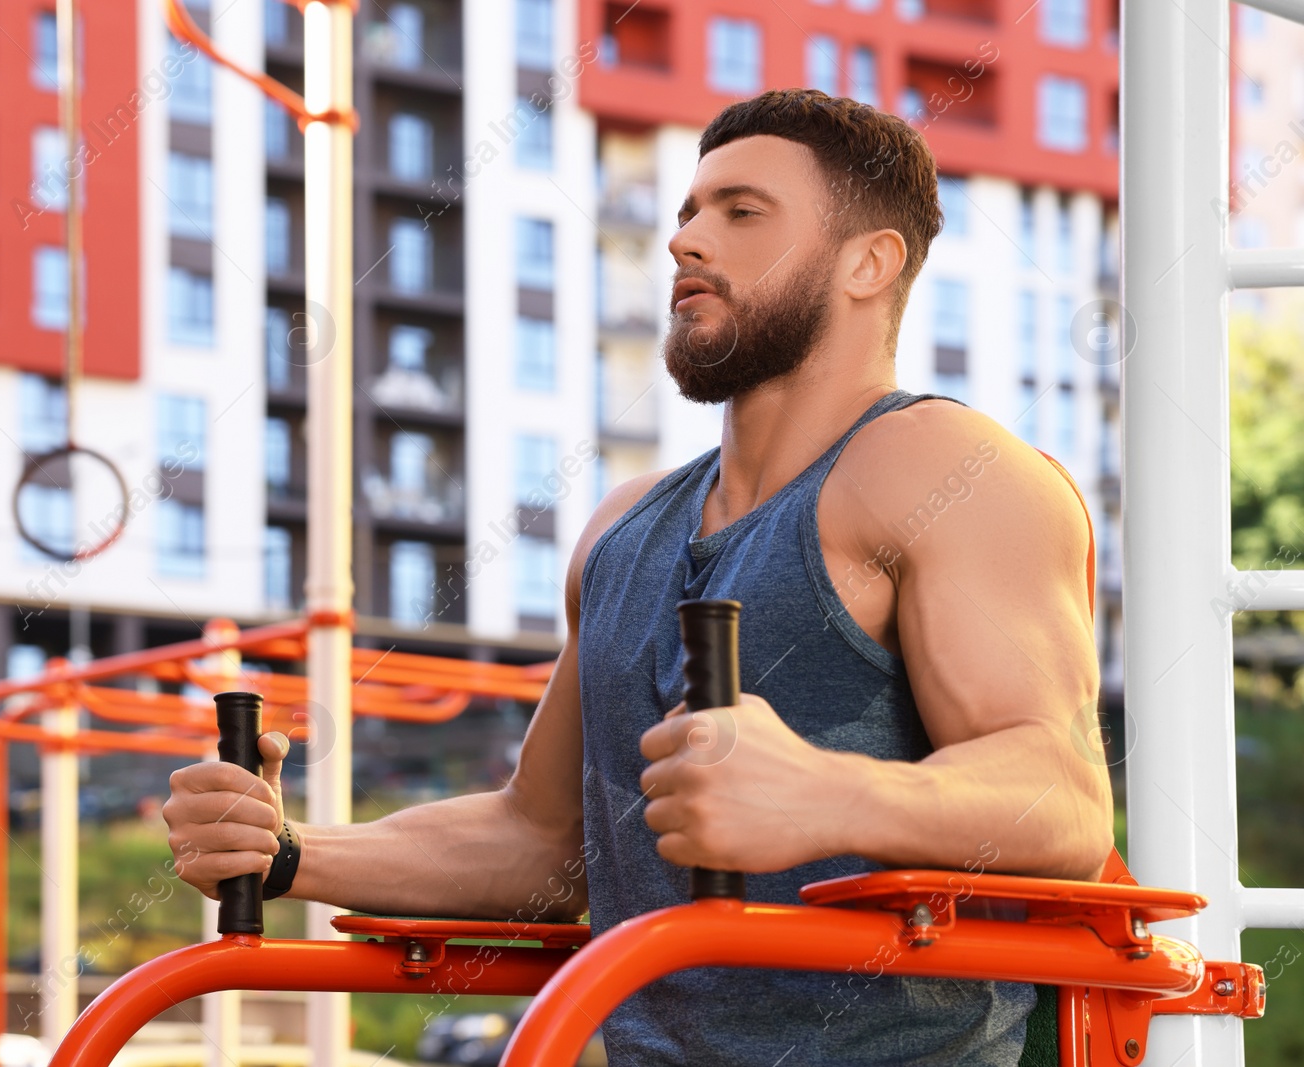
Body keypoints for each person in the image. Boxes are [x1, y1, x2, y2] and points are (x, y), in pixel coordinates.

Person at [163, 89, 1113, 1066]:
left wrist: (828, 792)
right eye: (687, 213)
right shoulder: (623, 524)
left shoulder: (942, 467)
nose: (686, 242)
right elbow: (539, 842)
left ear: (868, 261)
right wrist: (286, 851)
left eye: (741, 213)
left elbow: (1064, 795)